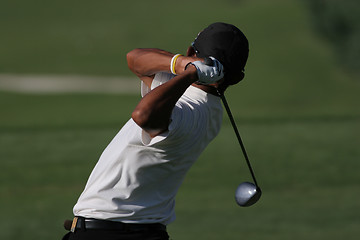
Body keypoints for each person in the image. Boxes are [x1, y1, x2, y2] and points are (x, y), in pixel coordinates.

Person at [62, 22, 249, 240]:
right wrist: (182, 65)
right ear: (237, 78)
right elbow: (135, 59)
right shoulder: (201, 105)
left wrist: (189, 74)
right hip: (138, 232)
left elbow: (143, 115)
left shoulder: (191, 111)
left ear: (191, 51)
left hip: (110, 231)